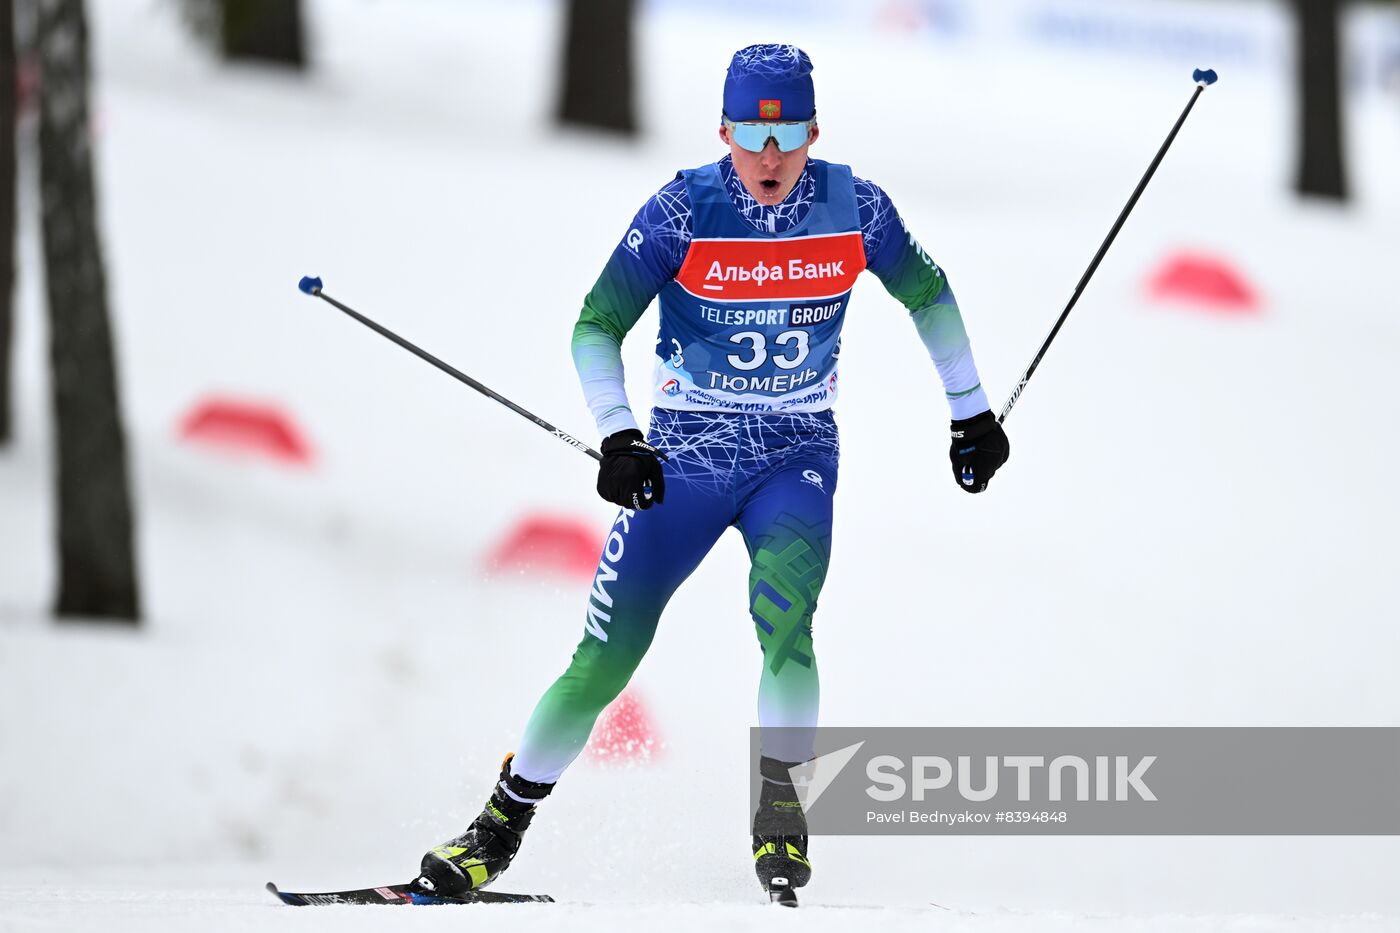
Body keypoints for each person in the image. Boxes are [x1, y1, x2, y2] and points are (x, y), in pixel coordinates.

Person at [412, 43, 1009, 900]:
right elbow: (594, 324)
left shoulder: (857, 209)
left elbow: (929, 292)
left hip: (794, 454)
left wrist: (972, 411)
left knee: (787, 624)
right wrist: (621, 437)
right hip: (684, 459)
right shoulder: (682, 210)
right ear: (724, 129)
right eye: (754, 135)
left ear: (815, 129)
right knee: (605, 660)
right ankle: (495, 831)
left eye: (792, 132)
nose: (772, 157)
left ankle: (782, 818)